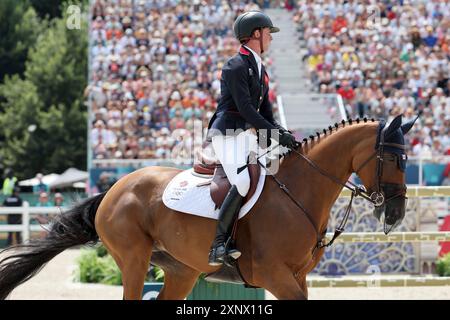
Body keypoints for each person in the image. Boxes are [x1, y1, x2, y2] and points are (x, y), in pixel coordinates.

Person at [205, 11, 297, 266]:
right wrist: (275, 134)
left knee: (277, 168)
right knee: (244, 181)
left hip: (246, 133)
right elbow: (246, 108)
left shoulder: (260, 69)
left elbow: (265, 111)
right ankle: (219, 244)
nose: (271, 38)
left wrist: (284, 134)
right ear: (256, 33)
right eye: (268, 33)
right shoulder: (235, 65)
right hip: (228, 132)